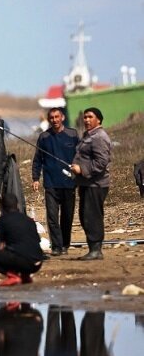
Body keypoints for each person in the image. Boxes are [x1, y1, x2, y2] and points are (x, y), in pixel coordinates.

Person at [31, 107, 79, 256]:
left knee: (67, 216)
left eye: (57, 117)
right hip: (51, 183)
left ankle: (65, 244)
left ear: (62, 117)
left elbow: (81, 155)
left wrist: (79, 171)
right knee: (52, 217)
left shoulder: (73, 134)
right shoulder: (44, 137)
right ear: (48, 119)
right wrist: (35, 178)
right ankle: (57, 247)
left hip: (69, 183)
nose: (54, 120)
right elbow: (37, 159)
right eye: (51, 118)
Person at [70, 107, 112, 260]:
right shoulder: (88, 135)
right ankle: (93, 248)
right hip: (87, 183)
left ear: (99, 119)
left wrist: (81, 169)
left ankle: (96, 250)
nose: (86, 120)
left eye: (90, 117)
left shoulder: (99, 137)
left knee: (92, 216)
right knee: (85, 215)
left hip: (96, 184)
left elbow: (101, 162)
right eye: (85, 117)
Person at [0, 193, 44, 286]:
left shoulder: (2, 220)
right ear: (17, 205)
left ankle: (13, 276)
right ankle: (25, 276)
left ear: (2, 207)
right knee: (19, 252)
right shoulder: (28, 220)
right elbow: (37, 242)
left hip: (24, 262)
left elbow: (0, 246)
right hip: (38, 262)